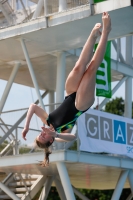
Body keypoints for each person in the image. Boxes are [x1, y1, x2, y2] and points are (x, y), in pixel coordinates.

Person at [22, 12, 111, 166]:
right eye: (43, 137)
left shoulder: (47, 120)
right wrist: (55, 133)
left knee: (78, 67)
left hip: (70, 94)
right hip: (80, 104)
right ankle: (107, 31)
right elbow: (73, 138)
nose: (42, 133)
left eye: (39, 135)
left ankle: (93, 35)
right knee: (91, 69)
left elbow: (33, 107)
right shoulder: (61, 132)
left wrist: (26, 125)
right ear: (50, 140)